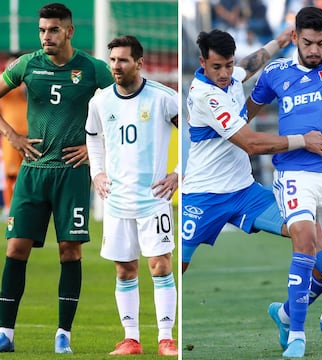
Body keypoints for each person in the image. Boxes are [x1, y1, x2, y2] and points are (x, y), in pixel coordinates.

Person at [182, 25, 322, 356]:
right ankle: (166, 325)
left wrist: (281, 40)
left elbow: (251, 63)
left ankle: (301, 316)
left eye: (227, 65)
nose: (224, 74)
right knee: (175, 266)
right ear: (202, 63)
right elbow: (250, 143)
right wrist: (301, 141)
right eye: (216, 67)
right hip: (203, 196)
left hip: (245, 193)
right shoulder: (204, 95)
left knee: (309, 235)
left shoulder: (231, 73)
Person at [246, 6, 322, 358]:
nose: (314, 51)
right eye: (308, 43)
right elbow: (245, 114)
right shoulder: (276, 72)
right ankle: (297, 335)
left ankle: (284, 313)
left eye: (321, 43)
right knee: (306, 243)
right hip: (294, 172)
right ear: (294, 37)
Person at [0, 3, 113, 354]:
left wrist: (96, 149)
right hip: (34, 172)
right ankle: (5, 332)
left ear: (69, 31)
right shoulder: (26, 64)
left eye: (53, 30)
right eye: (42, 30)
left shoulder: (93, 68)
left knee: (70, 251)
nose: (46, 37)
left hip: (73, 174)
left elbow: (122, 108)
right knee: (16, 248)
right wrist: (13, 136)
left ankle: (63, 334)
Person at [86, 35, 178, 356]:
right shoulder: (100, 101)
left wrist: (178, 173)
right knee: (125, 269)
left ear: (139, 63)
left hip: (153, 198)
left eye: (122, 60)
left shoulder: (164, 98)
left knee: (160, 265)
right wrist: (96, 172)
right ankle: (131, 339)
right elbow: (93, 138)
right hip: (116, 199)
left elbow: (192, 136)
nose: (115, 66)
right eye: (112, 60)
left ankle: (166, 338)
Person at [0, 54, 28, 217]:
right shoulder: (6, 88)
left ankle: (29, 209)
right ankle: (9, 208)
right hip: (10, 137)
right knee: (11, 175)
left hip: (31, 136)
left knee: (30, 175)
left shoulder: (29, 85)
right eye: (11, 66)